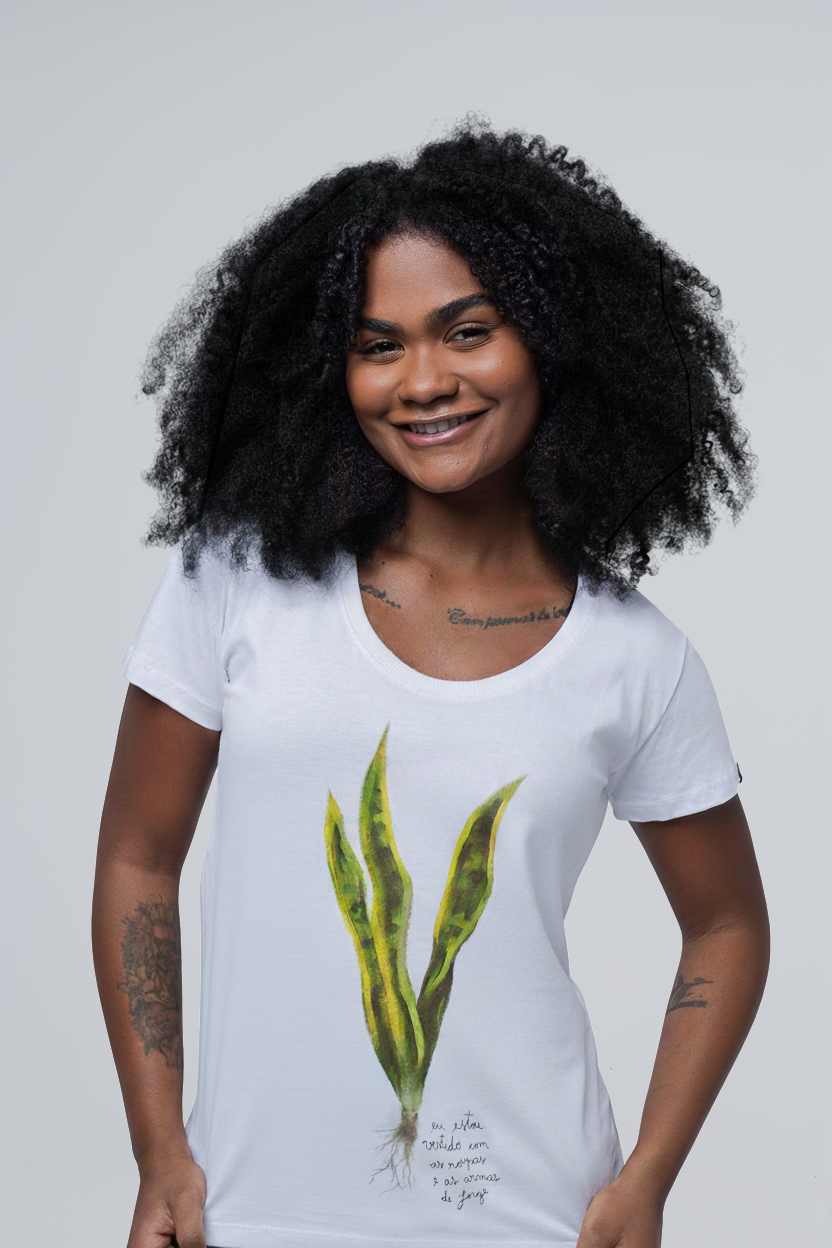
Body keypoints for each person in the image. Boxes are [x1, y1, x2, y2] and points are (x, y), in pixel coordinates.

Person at [93, 121, 770, 1248]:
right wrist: (159, 1151)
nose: (423, 382)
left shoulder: (634, 657)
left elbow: (728, 925)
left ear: (549, 341)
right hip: (252, 1216)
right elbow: (137, 858)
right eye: (379, 345)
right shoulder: (236, 580)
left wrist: (645, 1179)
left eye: (467, 331)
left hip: (535, 1218)